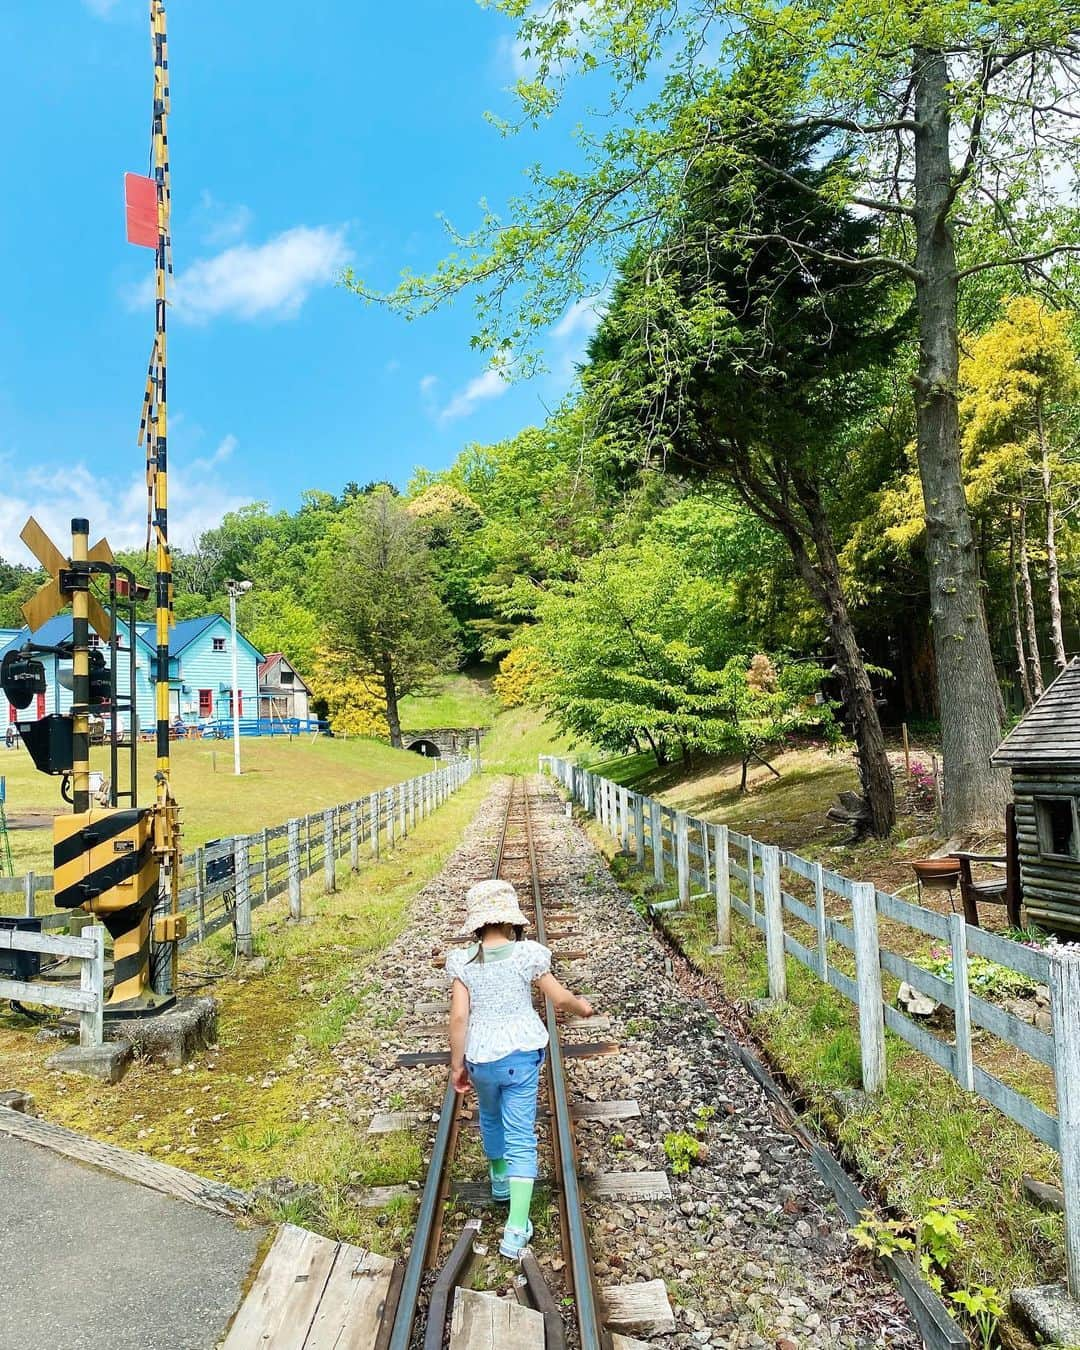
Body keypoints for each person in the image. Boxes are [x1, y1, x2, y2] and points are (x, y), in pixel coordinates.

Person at [446, 878, 594, 1259]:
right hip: (521, 1055)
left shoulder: (464, 961)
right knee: (522, 1134)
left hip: (481, 1058)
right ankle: (515, 1229)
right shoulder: (527, 954)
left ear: (477, 924)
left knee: (490, 1118)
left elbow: (459, 1017)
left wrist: (457, 1064)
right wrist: (582, 1007)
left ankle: (499, 1180)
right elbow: (559, 998)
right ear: (510, 920)